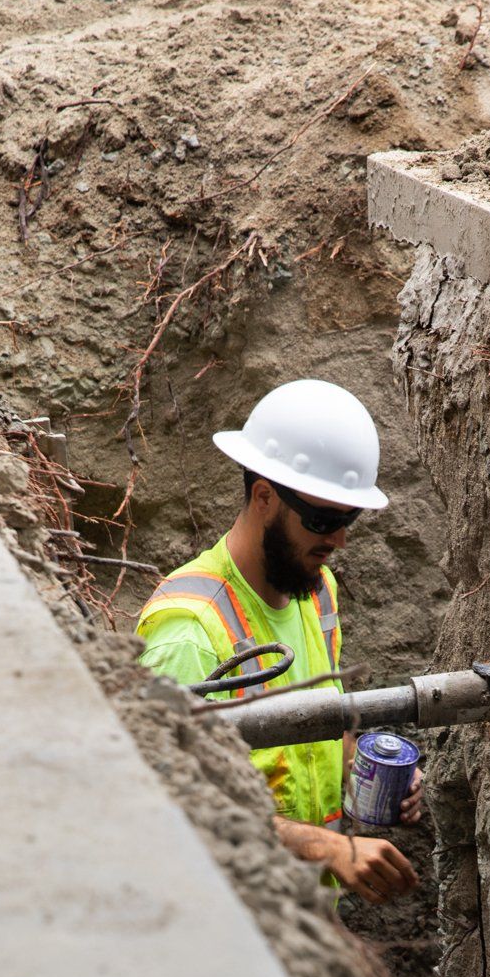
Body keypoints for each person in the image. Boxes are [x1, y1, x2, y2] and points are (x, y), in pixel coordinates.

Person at [136, 379, 422, 905]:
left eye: (349, 518)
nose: (339, 540)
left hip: (306, 918)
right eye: (322, 520)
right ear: (264, 496)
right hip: (230, 923)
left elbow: (320, 731)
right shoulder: (190, 633)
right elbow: (168, 801)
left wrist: (370, 772)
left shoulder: (315, 593)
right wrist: (325, 848)